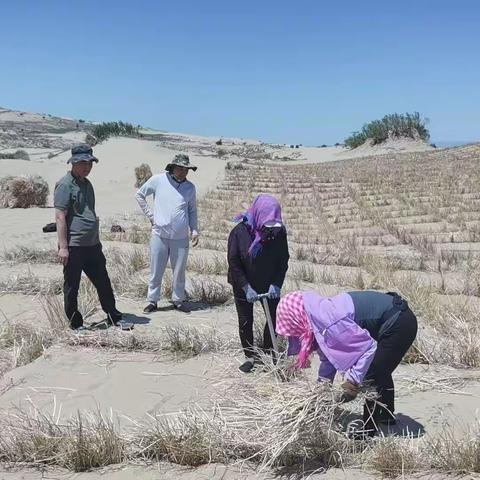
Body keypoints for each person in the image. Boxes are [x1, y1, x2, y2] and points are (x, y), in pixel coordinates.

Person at [276, 290, 417, 436]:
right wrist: (321, 391)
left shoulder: (331, 322)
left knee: (372, 372)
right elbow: (328, 359)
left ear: (297, 318)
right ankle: (386, 416)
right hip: (396, 316)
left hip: (400, 322)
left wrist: (353, 381)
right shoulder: (321, 316)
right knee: (381, 368)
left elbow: (369, 348)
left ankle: (367, 431)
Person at [54, 144, 123, 331]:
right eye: (83, 163)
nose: (87, 167)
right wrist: (63, 247)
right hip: (74, 245)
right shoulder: (64, 184)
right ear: (74, 163)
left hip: (92, 244)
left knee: (103, 281)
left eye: (90, 163)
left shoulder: (87, 183)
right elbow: (60, 216)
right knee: (72, 287)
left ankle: (113, 316)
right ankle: (75, 324)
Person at [227, 194, 289, 373]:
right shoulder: (239, 232)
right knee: (246, 320)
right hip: (243, 282)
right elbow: (234, 262)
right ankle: (249, 356)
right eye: (268, 222)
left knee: (274, 317)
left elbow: (283, 260)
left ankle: (269, 351)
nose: (271, 227)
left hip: (268, 284)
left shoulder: (279, 233)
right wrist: (246, 287)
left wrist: (276, 284)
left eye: (274, 222)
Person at [135, 154, 199, 314]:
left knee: (179, 270)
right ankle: (152, 300)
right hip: (159, 234)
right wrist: (151, 216)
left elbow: (192, 210)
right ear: (172, 167)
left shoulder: (190, 188)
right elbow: (140, 195)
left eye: (187, 169)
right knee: (156, 269)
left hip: (181, 237)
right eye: (181, 168)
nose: (184, 171)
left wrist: (195, 229)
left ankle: (178, 300)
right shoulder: (158, 180)